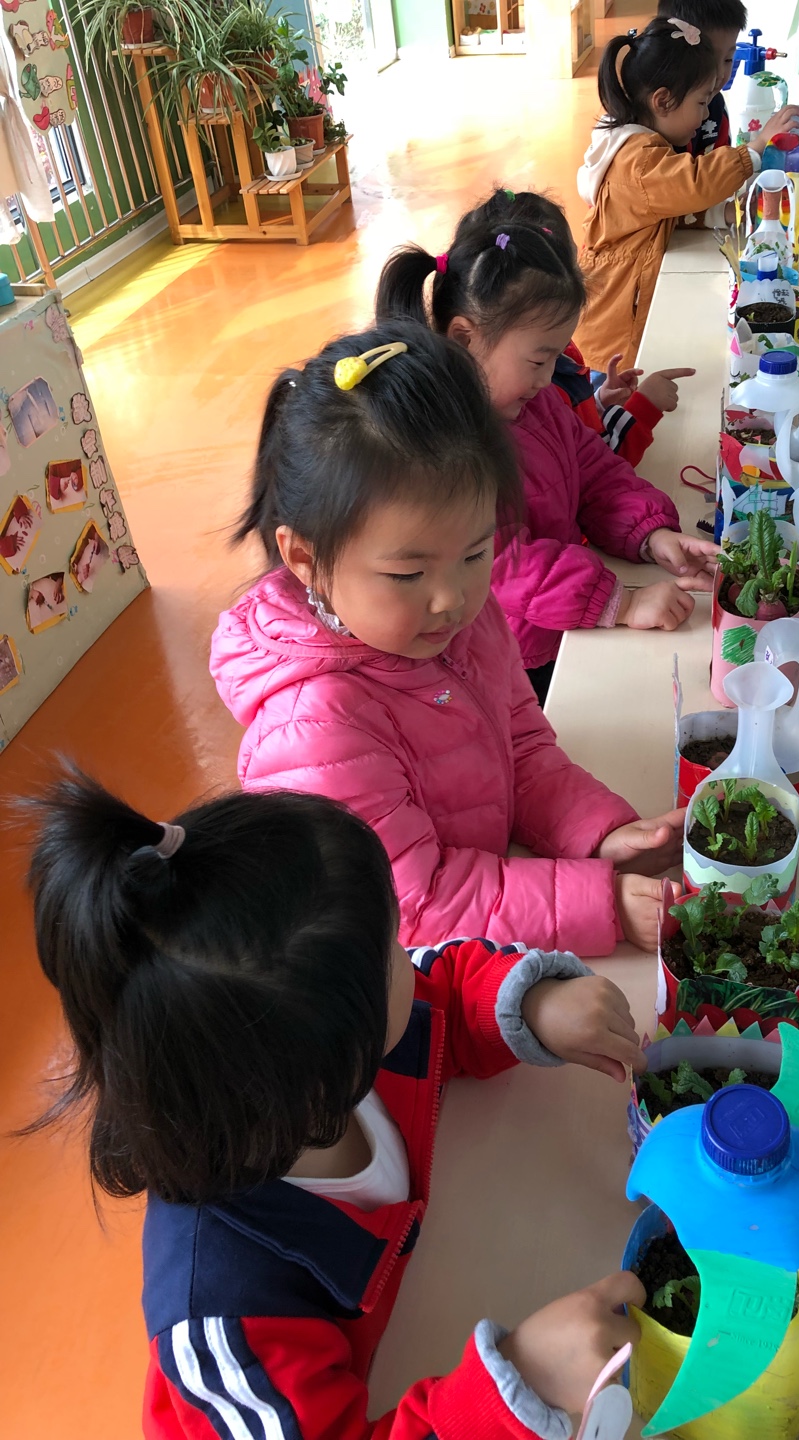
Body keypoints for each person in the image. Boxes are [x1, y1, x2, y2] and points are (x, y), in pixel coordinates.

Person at [21, 773, 648, 1440]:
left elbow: (439, 989)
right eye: (390, 951)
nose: (410, 952)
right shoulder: (226, 1317)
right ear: (331, 1066)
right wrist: (519, 1382)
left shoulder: (310, 1052)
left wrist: (527, 1004)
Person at [211, 322, 685, 956]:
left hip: (499, 916)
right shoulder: (315, 729)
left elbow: (522, 749)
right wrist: (602, 904)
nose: (451, 598)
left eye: (476, 553)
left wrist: (599, 834)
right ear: (305, 559)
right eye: (408, 574)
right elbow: (414, 906)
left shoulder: (458, 622)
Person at [375, 223, 720, 700]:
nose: (548, 377)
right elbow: (502, 564)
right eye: (539, 361)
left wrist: (651, 535)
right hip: (510, 655)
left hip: (566, 622)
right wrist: (622, 603)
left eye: (556, 358)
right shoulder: (442, 449)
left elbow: (595, 471)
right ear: (464, 338)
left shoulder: (538, 404)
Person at [575, 16, 799, 372]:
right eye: (700, 102)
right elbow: (692, 183)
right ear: (663, 101)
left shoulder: (642, 148)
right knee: (616, 401)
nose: (705, 114)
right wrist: (755, 149)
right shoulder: (638, 161)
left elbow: (671, 208)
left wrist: (721, 213)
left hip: (622, 318)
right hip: (614, 339)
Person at [454, 186, 695, 466]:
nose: (546, 377)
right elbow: (597, 463)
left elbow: (579, 430)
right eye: (540, 361)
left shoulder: (541, 351)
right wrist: (645, 407)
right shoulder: (530, 400)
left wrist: (599, 402)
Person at [656, 0, 747, 158]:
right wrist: (753, 151)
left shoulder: (716, 107)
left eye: (728, 59)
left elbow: (723, 164)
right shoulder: (642, 127)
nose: (720, 74)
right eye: (709, 60)